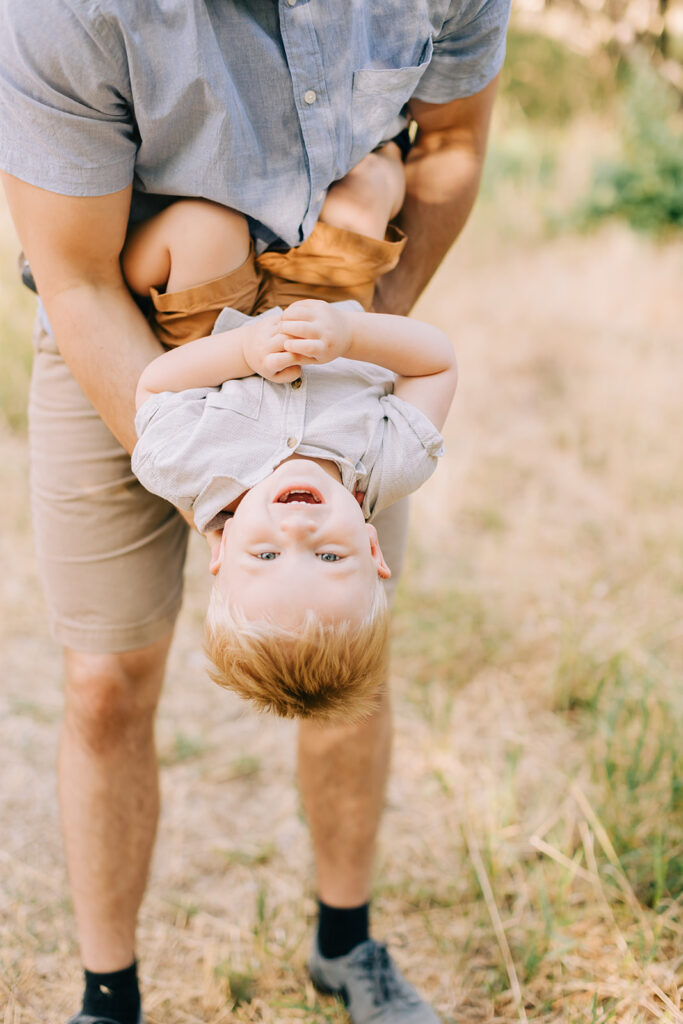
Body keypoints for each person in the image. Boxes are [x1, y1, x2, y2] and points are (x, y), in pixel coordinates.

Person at [0, 2, 511, 1022]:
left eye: (287, 548)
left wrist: (350, 326)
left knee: (340, 664)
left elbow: (449, 139)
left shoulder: (339, 494)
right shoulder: (65, 12)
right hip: (122, 307)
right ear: (357, 538)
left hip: (322, 331)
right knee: (103, 680)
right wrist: (223, 486)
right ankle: (110, 993)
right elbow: (77, 278)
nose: (299, 540)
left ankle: (344, 939)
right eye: (318, 547)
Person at [124, 148, 456, 721]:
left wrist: (241, 351)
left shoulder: (184, 466)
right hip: (324, 310)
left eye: (267, 552)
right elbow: (437, 365)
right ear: (374, 550)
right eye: (330, 555)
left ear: (222, 551)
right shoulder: (391, 463)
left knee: (208, 225)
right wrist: (350, 333)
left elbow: (153, 386)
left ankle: (130, 266)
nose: (298, 528)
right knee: (370, 185)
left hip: (209, 326)